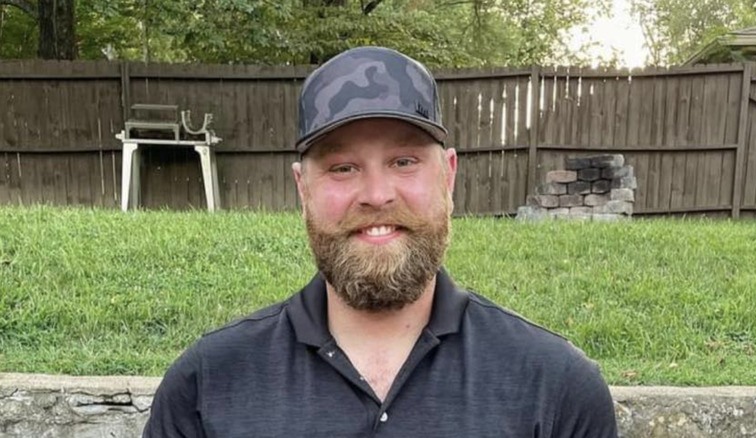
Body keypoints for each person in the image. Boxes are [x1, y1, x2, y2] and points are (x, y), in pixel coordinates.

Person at [143, 46, 618, 437]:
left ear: (448, 175)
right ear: (302, 189)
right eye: (342, 167)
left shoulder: (556, 389)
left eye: (404, 161)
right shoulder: (207, 385)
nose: (376, 194)